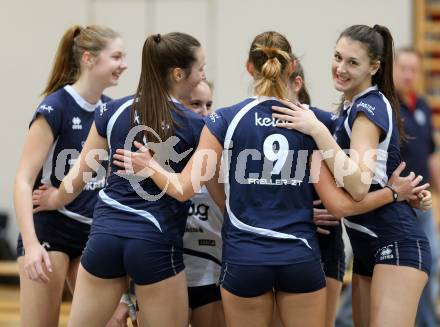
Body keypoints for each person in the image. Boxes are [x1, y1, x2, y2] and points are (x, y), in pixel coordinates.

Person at [112, 31, 430, 327]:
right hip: (300, 256)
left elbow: (184, 188)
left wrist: (151, 166)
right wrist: (397, 189)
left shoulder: (224, 118)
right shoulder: (312, 120)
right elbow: (344, 194)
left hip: (245, 258)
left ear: (249, 67)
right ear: (291, 66)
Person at [32, 32, 206, 327]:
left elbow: (78, 176)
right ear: (179, 74)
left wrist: (55, 198)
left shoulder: (111, 111)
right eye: (201, 68)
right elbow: (185, 189)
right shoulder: (195, 124)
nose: (203, 74)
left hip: (105, 237)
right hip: (154, 240)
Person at [272, 24, 432, 326]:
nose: (340, 68)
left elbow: (357, 186)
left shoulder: (367, 108)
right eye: (337, 57)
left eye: (352, 62)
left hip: (395, 241)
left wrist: (317, 131)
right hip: (366, 248)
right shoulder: (349, 108)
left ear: (374, 66)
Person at [13, 25, 126, 327]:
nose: (123, 64)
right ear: (89, 59)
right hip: (51, 229)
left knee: (113, 320)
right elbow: (23, 180)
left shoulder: (110, 111)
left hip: (93, 232)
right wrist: (32, 244)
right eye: (116, 56)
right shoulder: (55, 107)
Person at [288, 61, 345, 327]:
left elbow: (360, 172)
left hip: (325, 242)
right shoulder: (256, 123)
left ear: (297, 86)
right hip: (282, 242)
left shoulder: (324, 122)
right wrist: (299, 213)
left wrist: (397, 190)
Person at [394, 47, 440, 327]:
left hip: (423, 201)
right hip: (397, 202)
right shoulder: (388, 107)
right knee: (393, 267)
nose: (409, 75)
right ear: (394, 69)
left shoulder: (421, 106)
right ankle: (345, 319)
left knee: (432, 262)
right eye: (404, 69)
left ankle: (427, 322)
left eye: (414, 69)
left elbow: (431, 154)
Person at [180, 80, 225, 327]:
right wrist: (127, 296)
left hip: (211, 276)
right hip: (166, 275)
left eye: (209, 104)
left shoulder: (220, 156)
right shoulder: (160, 155)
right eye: (195, 104)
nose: (205, 113)